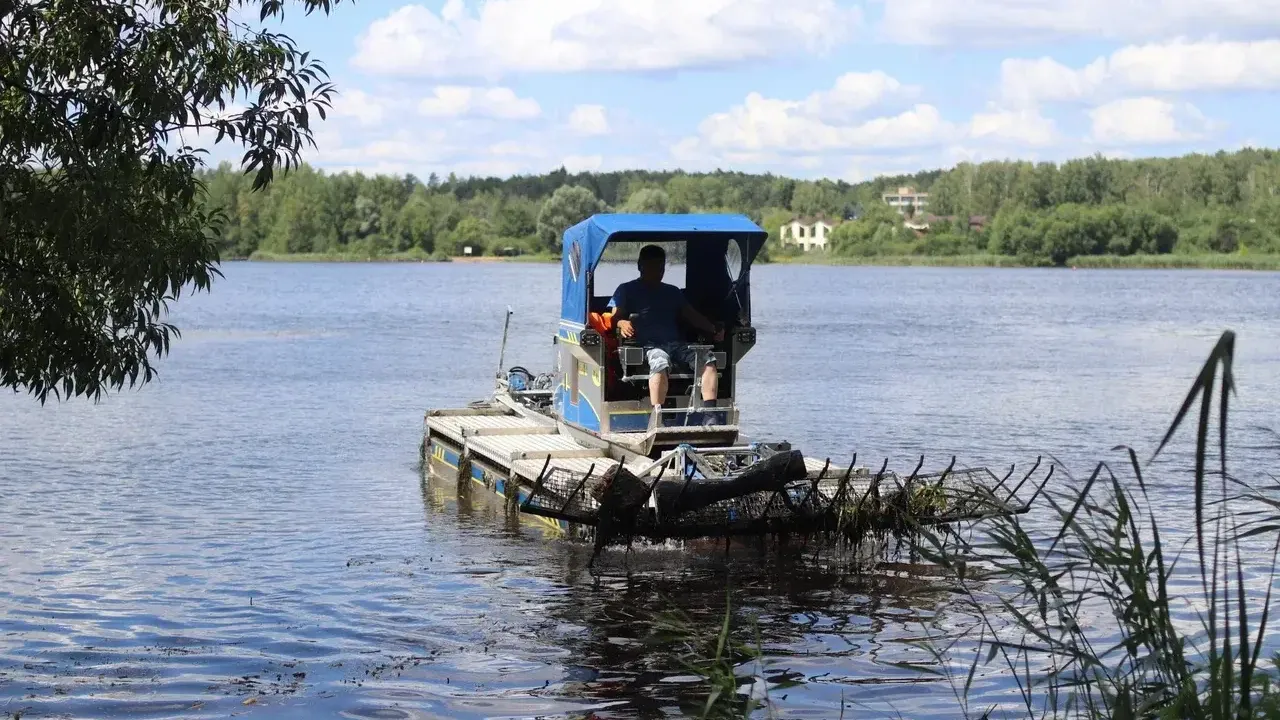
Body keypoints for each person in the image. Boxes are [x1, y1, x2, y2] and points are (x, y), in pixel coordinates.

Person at [608, 244, 724, 411]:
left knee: (707, 358)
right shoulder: (626, 289)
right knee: (660, 361)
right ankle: (658, 416)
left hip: (676, 344)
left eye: (661, 267)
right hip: (648, 345)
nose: (659, 271)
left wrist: (714, 329)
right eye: (653, 267)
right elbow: (614, 318)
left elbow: (693, 316)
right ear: (641, 266)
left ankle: (710, 414)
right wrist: (622, 322)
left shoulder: (672, 292)